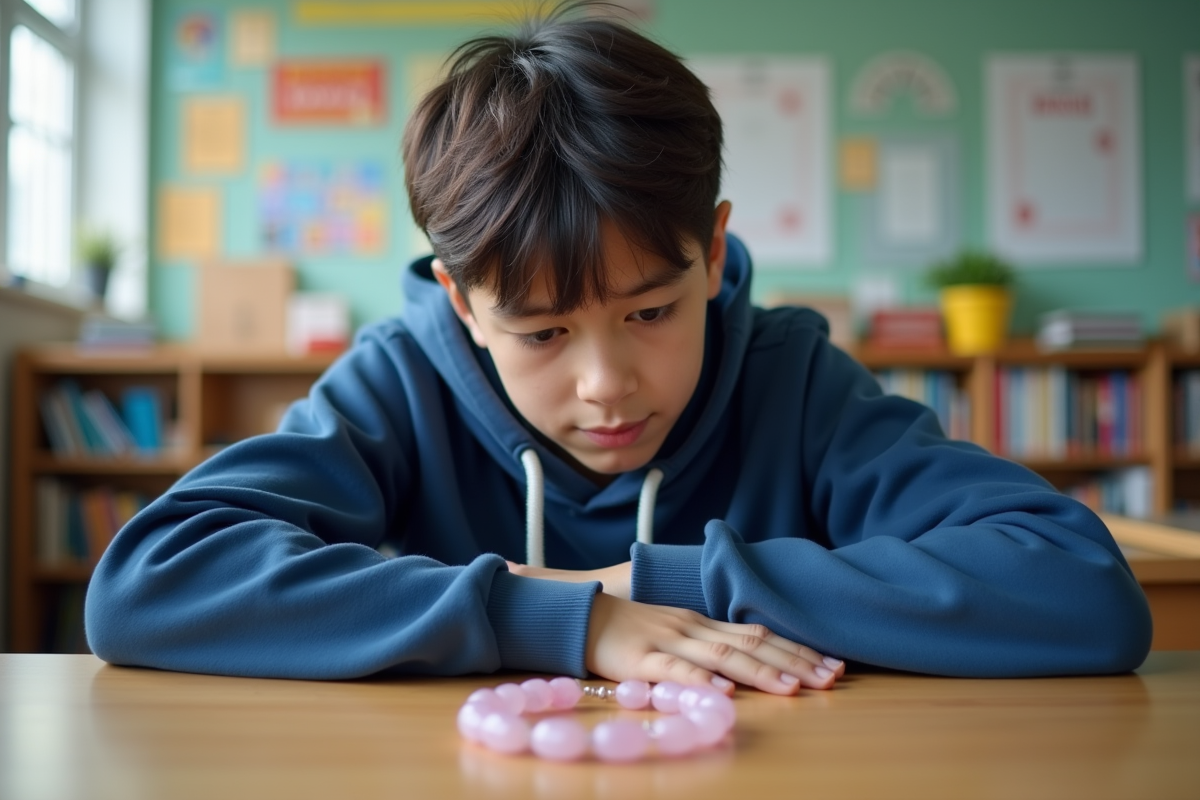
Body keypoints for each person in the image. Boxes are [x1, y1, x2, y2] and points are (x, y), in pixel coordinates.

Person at [85, 5, 1151, 692]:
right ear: (461, 299)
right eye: (542, 332)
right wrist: (557, 613)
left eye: (652, 310)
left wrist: (669, 579)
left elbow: (1081, 585)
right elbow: (146, 578)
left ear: (714, 248)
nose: (607, 385)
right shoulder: (399, 381)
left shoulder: (791, 380)